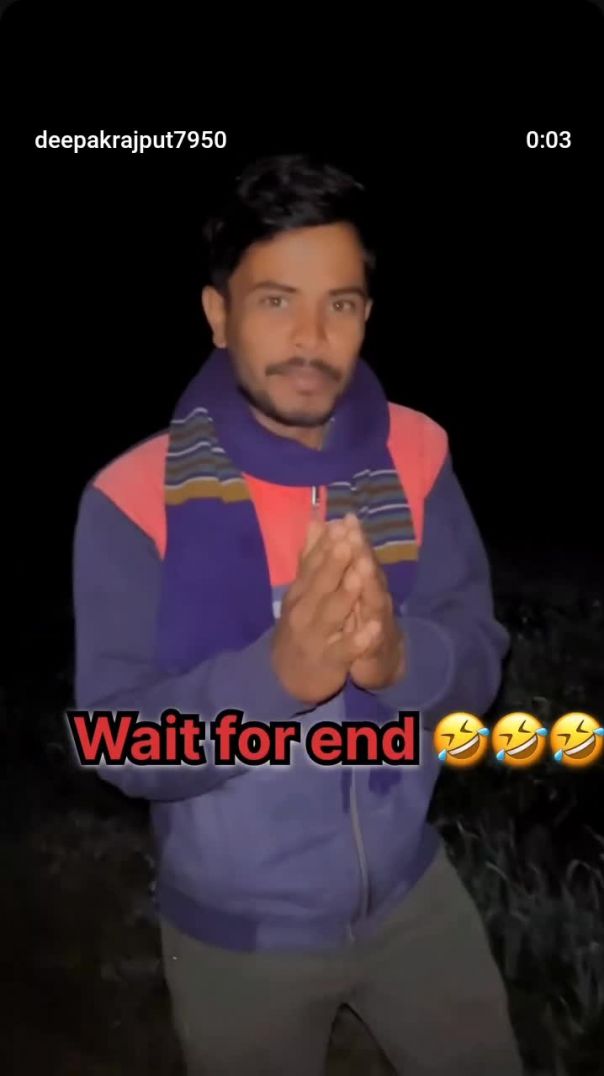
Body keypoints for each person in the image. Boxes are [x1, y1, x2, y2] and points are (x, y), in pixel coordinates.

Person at [71, 153, 523, 1075]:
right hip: (235, 941)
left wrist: (403, 663)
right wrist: (275, 679)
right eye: (276, 300)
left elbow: (479, 651)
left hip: (412, 896)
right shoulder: (130, 500)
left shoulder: (418, 453)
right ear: (218, 313)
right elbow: (116, 741)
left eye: (340, 304)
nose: (311, 338)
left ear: (367, 315)